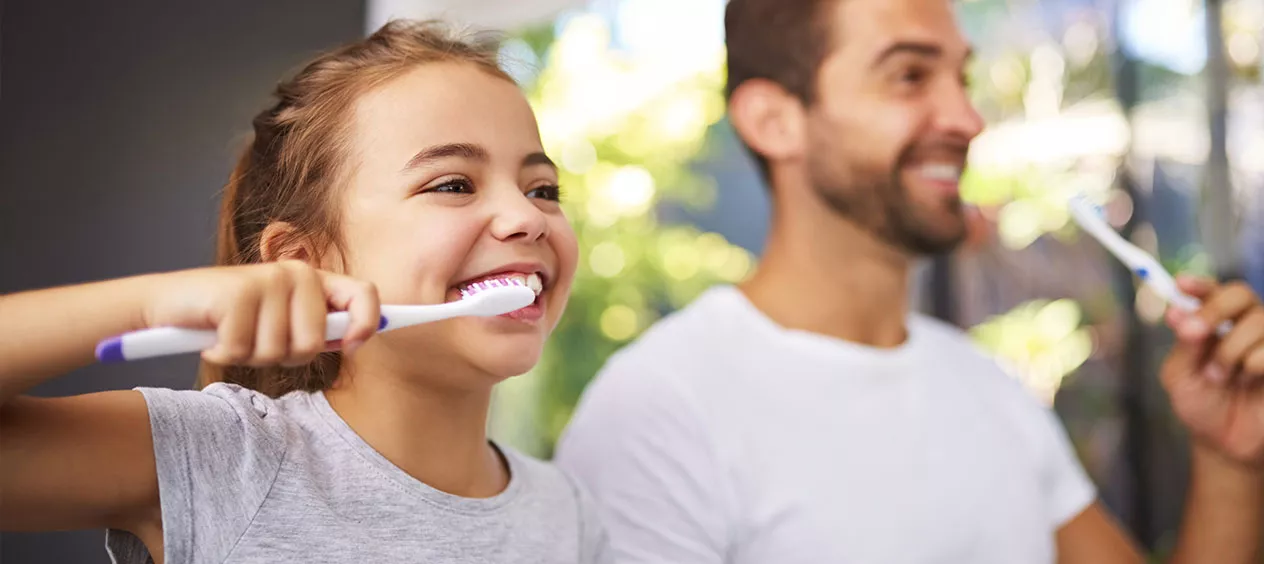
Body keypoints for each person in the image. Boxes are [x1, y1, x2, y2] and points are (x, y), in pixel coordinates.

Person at [555, 0, 1264, 562]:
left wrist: (1229, 463)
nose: (966, 118)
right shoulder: (657, 413)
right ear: (774, 120)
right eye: (909, 75)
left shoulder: (987, 389)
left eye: (962, 77)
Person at [0, 20, 607, 564]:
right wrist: (146, 306)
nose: (525, 217)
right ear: (303, 261)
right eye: (452, 184)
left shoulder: (568, 516)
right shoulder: (219, 457)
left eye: (543, 189)